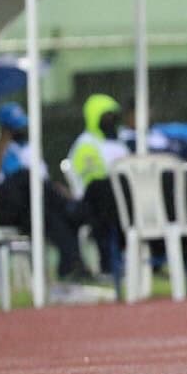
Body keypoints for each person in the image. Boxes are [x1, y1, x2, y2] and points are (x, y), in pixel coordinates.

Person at [0, 103, 93, 282]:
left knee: (52, 215)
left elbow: (44, 183)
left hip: (28, 208)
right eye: (14, 129)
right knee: (25, 177)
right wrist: (1, 147)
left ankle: (72, 265)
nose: (20, 132)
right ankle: (71, 208)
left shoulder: (27, 150)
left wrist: (61, 191)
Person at [66, 94, 129, 276]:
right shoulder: (86, 144)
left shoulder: (121, 142)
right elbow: (94, 181)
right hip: (91, 202)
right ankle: (108, 262)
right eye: (106, 116)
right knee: (105, 196)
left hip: (119, 198)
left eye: (113, 116)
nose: (111, 121)